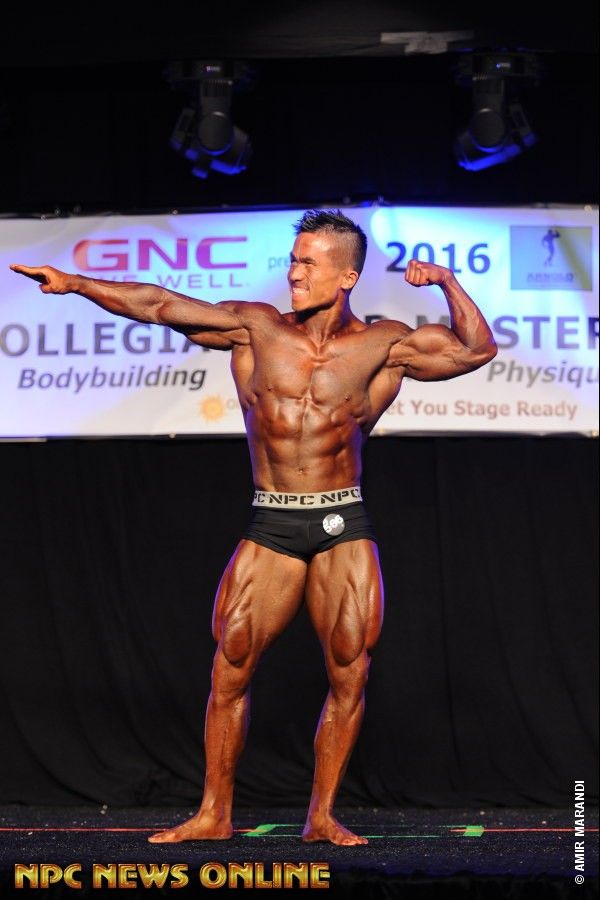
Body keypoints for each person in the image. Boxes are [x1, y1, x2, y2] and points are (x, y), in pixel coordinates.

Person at [10, 208, 497, 846]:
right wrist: (75, 283)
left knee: (349, 668)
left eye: (308, 264)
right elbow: (159, 304)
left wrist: (448, 282)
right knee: (231, 663)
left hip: (342, 521)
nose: (294, 274)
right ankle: (214, 813)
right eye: (292, 261)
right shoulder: (256, 328)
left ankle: (321, 816)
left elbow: (476, 350)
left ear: (347, 277)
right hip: (273, 521)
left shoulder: (385, 345)